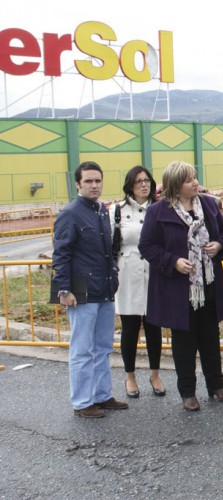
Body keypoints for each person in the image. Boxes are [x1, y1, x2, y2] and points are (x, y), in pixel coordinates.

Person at [139, 161, 223, 411]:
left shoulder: (210, 205)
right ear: (175, 185)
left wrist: (219, 246)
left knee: (210, 337)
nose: (195, 183)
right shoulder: (158, 211)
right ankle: (188, 392)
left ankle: (216, 385)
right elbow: (147, 246)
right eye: (188, 180)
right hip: (179, 289)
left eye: (194, 178)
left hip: (209, 284)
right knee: (184, 341)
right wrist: (173, 261)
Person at [52, 161, 129, 418]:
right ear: (77, 184)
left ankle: (102, 395)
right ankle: (83, 402)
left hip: (104, 289)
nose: (94, 185)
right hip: (81, 292)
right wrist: (64, 290)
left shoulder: (100, 211)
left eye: (97, 180)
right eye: (88, 181)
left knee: (103, 346)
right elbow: (61, 254)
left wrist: (114, 275)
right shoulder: (70, 214)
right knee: (82, 349)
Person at [109, 166, 165, 398]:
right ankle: (130, 375)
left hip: (154, 272)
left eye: (147, 181)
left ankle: (155, 373)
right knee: (131, 327)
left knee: (154, 326)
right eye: (138, 181)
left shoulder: (160, 209)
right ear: (130, 186)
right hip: (128, 271)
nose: (144, 185)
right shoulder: (118, 211)